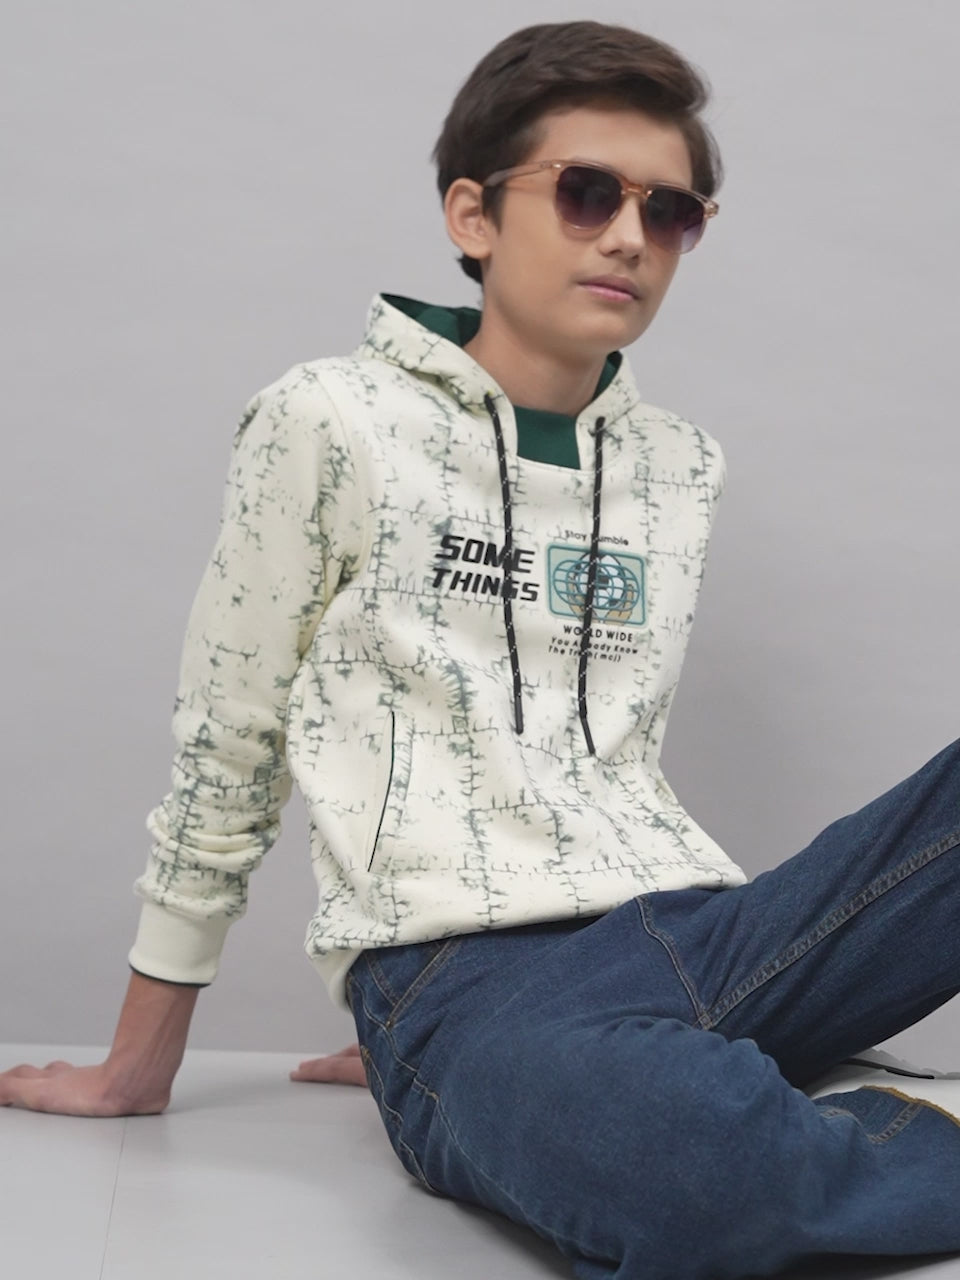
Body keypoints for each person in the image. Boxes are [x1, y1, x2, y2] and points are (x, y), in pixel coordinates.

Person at [4, 18, 960, 1280]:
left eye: (670, 210)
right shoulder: (331, 420)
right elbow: (232, 735)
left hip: (703, 930)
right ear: (473, 214)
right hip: (467, 975)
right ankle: (727, 1106)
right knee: (691, 1170)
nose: (629, 236)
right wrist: (153, 1054)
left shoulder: (679, 464)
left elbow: (590, 748)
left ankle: (709, 1098)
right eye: (586, 191)